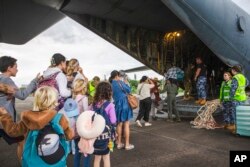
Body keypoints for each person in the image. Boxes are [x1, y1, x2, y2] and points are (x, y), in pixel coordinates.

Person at [0, 86, 74, 165]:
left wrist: (5, 116)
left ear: (36, 100)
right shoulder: (60, 118)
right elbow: (69, 136)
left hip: (33, 161)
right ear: (54, 101)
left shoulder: (28, 118)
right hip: (56, 161)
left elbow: (13, 131)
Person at [0, 56, 39, 144]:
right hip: (4, 120)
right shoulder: (6, 80)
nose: (17, 69)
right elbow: (22, 95)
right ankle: (24, 158)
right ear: (9, 68)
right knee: (22, 140)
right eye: (15, 67)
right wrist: (34, 81)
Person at [92, 81, 116, 167]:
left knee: (97, 158)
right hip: (106, 135)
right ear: (109, 92)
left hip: (95, 134)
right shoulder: (110, 105)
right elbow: (113, 121)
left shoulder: (94, 104)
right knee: (106, 157)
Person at [109, 70, 134, 150]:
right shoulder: (120, 82)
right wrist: (126, 82)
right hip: (124, 104)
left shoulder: (110, 84)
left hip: (116, 105)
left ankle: (119, 143)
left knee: (119, 124)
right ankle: (127, 144)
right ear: (116, 76)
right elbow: (129, 90)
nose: (120, 77)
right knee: (126, 124)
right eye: (119, 76)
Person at [72, 79, 90, 167]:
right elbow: (86, 113)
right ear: (83, 87)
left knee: (77, 150)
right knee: (86, 150)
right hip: (83, 127)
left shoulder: (73, 98)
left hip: (74, 127)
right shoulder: (84, 98)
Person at [228, 65, 248, 133]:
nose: (231, 72)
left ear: (234, 70)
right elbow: (247, 83)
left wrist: (230, 98)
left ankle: (236, 129)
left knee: (235, 114)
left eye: (232, 70)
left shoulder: (235, 77)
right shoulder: (243, 76)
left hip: (236, 99)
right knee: (241, 114)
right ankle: (241, 129)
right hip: (242, 98)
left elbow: (233, 89)